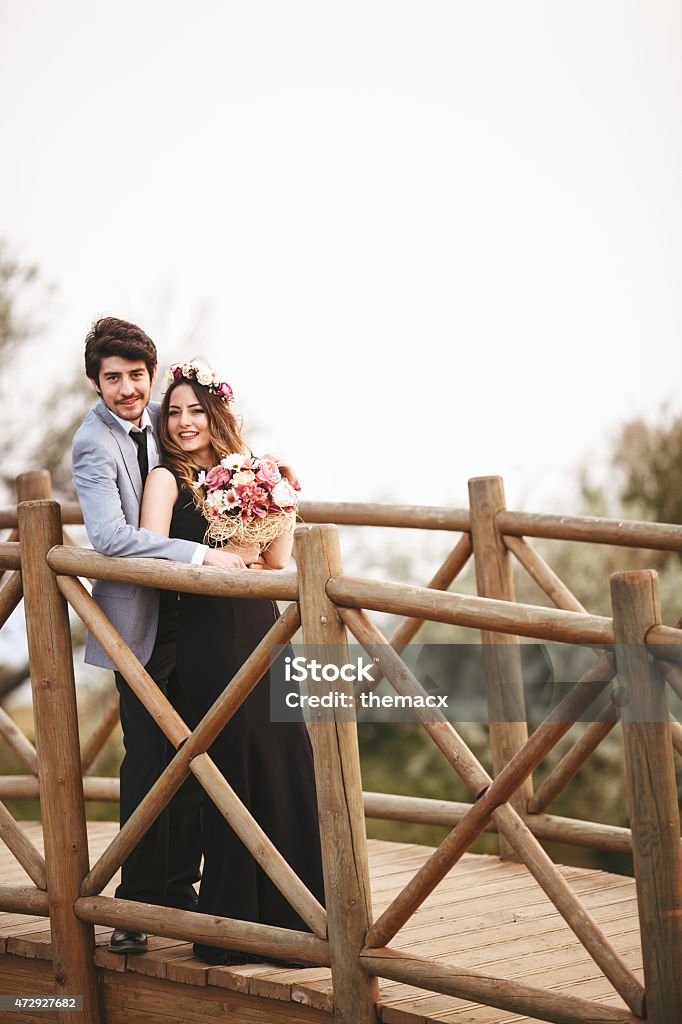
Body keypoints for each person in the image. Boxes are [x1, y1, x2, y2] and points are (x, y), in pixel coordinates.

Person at [140, 360, 325, 966]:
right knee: (233, 766)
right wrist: (211, 557)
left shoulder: (246, 472)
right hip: (204, 637)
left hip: (262, 630)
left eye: (196, 410)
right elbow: (149, 555)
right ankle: (235, 921)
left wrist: (283, 499)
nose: (185, 422)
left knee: (286, 757)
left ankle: (299, 917)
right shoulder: (164, 480)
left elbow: (275, 563)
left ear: (215, 414)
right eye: (174, 412)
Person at [72, 318, 247, 955]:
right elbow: (111, 539)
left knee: (194, 757)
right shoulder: (94, 444)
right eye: (112, 378)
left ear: (150, 376)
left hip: (190, 626)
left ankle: (178, 889)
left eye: (135, 377)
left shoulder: (155, 431)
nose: (125, 388)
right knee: (147, 764)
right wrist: (200, 557)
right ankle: (134, 907)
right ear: (95, 381)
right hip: (141, 630)